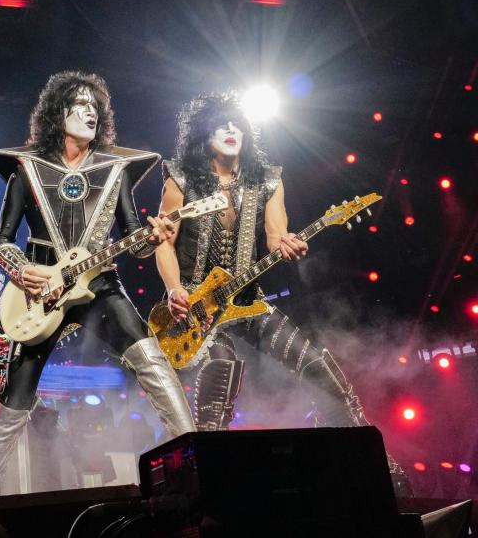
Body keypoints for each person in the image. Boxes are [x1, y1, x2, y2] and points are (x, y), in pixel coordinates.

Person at [153, 92, 408, 490]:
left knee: (322, 370)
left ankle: (374, 472)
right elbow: (164, 242)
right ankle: (202, 484)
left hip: (248, 303)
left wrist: (290, 243)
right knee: (221, 370)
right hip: (197, 311)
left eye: (237, 123)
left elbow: (275, 238)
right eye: (221, 124)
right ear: (204, 133)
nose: (230, 129)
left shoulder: (268, 178)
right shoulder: (181, 176)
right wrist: (173, 290)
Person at [0, 70, 196, 497]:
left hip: (100, 287)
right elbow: (0, 243)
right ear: (59, 113)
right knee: (15, 393)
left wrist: (154, 238)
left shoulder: (117, 171)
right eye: (80, 105)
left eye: (95, 107)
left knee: (152, 359)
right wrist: (24, 272)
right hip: (39, 293)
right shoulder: (27, 169)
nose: (89, 112)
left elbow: (136, 243)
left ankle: (196, 461)